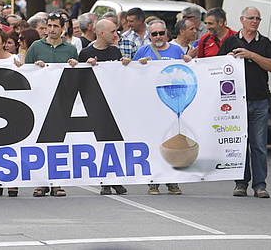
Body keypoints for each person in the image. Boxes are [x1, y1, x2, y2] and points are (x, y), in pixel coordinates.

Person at [219, 7, 271, 198]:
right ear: (242, 19)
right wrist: (226, 60)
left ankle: (260, 185)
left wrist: (251, 55)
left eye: (258, 19)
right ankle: (241, 183)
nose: (254, 21)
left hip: (259, 100)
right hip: (235, 101)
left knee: (259, 145)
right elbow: (217, 66)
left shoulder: (265, 42)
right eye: (251, 18)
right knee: (240, 145)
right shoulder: (230, 41)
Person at [132, 20, 190, 196]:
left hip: (173, 105)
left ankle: (172, 181)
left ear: (167, 34)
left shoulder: (176, 50)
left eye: (161, 33)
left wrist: (188, 61)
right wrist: (139, 66)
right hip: (153, 106)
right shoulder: (143, 51)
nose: (158, 37)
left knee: (174, 143)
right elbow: (131, 74)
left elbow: (185, 73)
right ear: (149, 36)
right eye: (154, 34)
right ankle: (154, 182)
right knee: (155, 142)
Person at [24, 13, 78, 197]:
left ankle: (57, 183)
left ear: (62, 28)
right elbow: (25, 73)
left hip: (62, 102)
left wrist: (74, 65)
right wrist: (35, 67)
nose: (52, 29)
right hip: (40, 102)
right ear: (45, 28)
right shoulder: (36, 47)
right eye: (49, 26)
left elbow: (75, 76)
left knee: (59, 144)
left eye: (56, 26)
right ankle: (40, 183)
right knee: (40, 144)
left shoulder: (70, 49)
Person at [78, 19, 130, 195]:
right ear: (101, 33)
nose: (116, 35)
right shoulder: (85, 53)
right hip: (95, 104)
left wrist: (126, 65)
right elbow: (78, 78)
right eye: (113, 32)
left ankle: (115, 179)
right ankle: (105, 181)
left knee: (115, 143)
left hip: (114, 103)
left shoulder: (115, 51)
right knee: (101, 143)